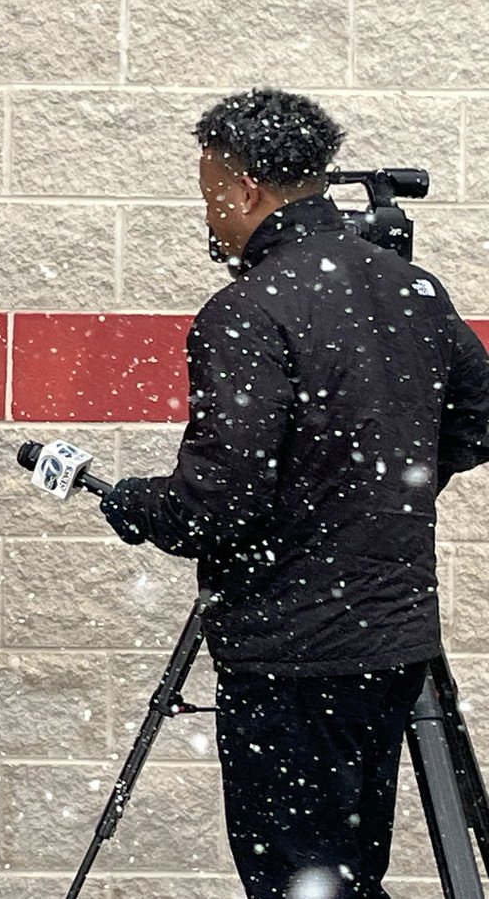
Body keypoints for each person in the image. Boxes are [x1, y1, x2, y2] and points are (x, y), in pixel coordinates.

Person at [98, 88, 489, 898]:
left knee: (296, 882)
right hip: (388, 640)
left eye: (211, 196)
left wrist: (135, 505)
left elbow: (219, 505)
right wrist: (376, 488)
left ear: (246, 190)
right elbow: (478, 420)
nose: (210, 220)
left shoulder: (247, 311)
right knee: (347, 872)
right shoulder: (409, 288)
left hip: (291, 650)